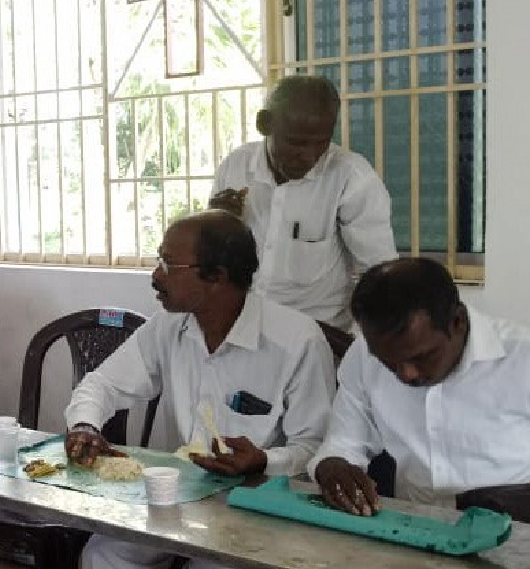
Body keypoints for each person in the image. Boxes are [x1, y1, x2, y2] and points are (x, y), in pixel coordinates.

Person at [66, 210, 336, 569]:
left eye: (168, 264)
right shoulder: (169, 325)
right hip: (177, 492)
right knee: (105, 554)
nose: (155, 276)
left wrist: (264, 460)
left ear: (217, 277)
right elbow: (102, 384)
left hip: (257, 503)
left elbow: (316, 446)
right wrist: (85, 425)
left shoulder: (296, 341)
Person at [310, 257, 530, 524]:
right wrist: (332, 465)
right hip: (415, 527)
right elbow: (344, 441)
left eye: (422, 357)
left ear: (457, 322)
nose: (406, 374)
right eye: (388, 362)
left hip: (519, 532)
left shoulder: (529, 358)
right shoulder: (363, 355)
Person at [209, 75, 397, 335]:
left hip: (320, 339)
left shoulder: (352, 177)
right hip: (243, 332)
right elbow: (212, 258)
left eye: (321, 142)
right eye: (296, 142)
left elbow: (380, 273)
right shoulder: (236, 166)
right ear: (265, 124)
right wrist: (216, 223)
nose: (309, 156)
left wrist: (359, 346)